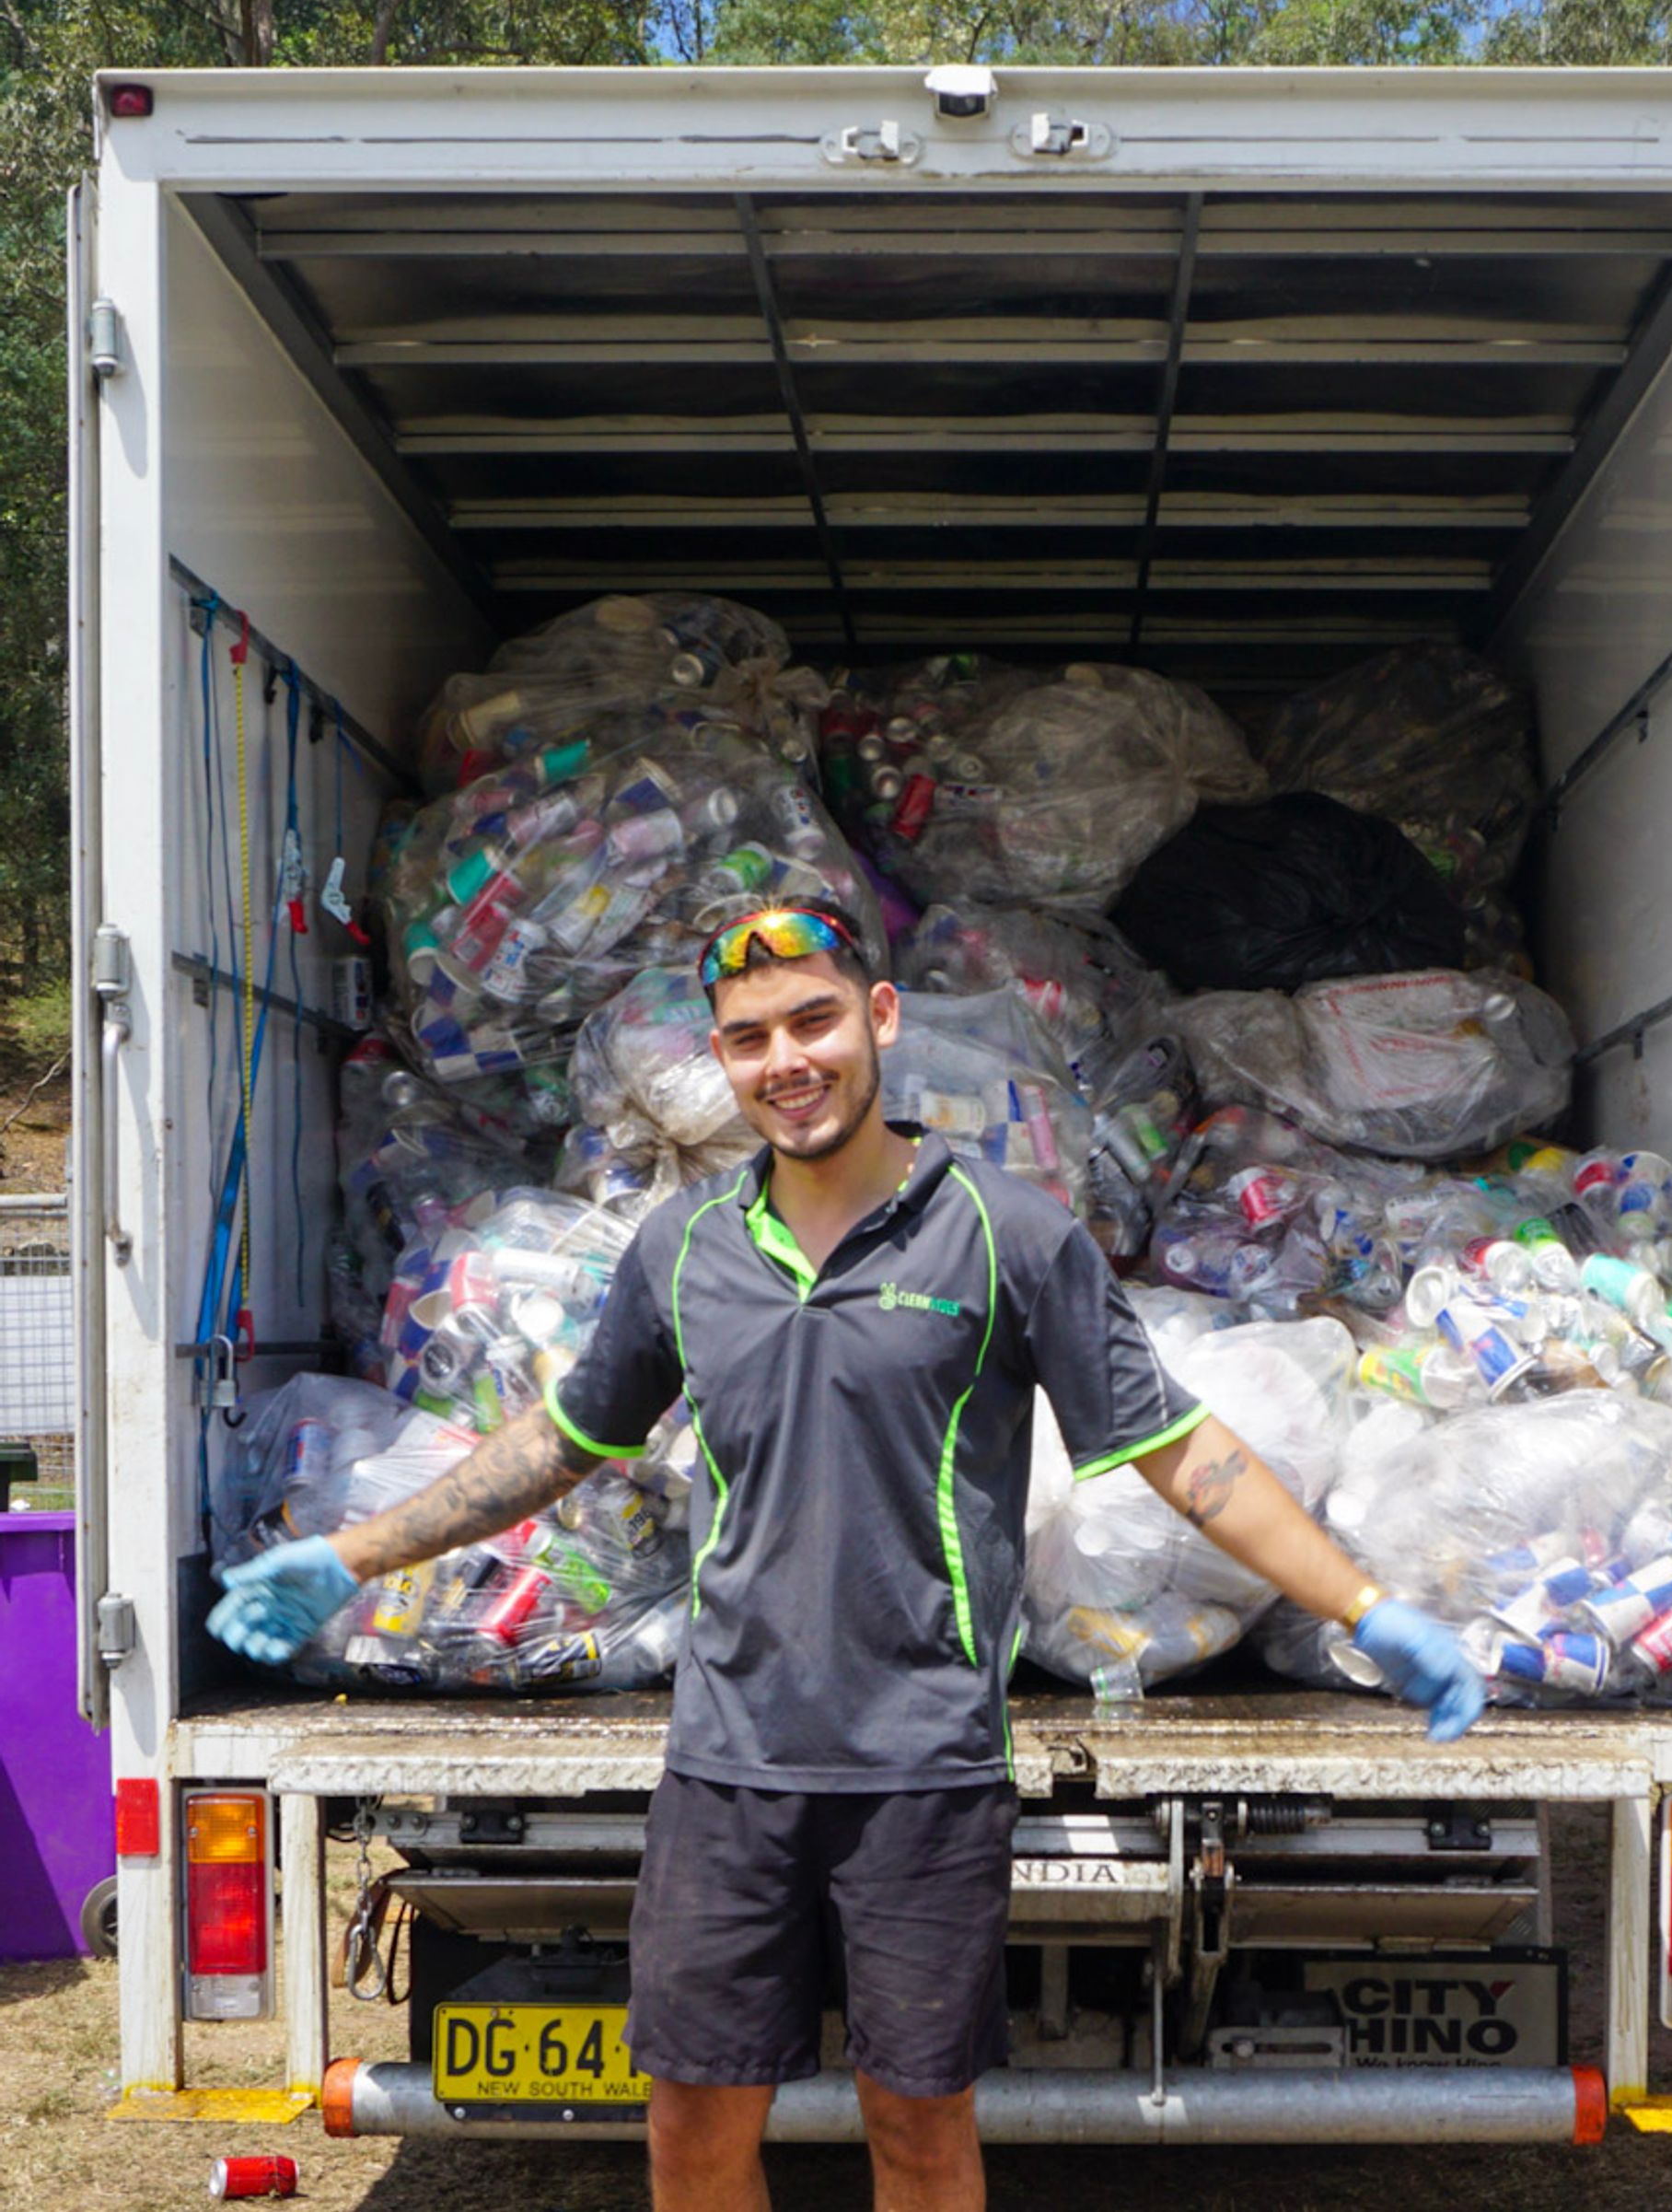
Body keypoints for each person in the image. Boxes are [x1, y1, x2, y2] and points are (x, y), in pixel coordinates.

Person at [210, 902, 1484, 2212]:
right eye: (748, 1038)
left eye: (813, 1018)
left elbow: (1178, 1450)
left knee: (918, 2136)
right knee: (693, 2131)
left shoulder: (1004, 1231)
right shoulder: (685, 1245)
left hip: (923, 1772)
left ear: (879, 1019)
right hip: (726, 1767)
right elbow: (563, 1441)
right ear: (724, 1060)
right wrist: (351, 1553)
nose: (787, 1060)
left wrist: (1365, 1604)